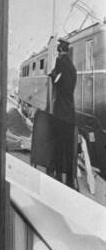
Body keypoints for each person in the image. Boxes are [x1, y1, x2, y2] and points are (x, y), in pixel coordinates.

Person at [49, 38, 78, 188]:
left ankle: (59, 177)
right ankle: (70, 181)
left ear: (60, 51)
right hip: (70, 114)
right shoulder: (73, 68)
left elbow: (57, 80)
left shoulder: (60, 63)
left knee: (59, 146)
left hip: (60, 113)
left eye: (58, 52)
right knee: (69, 149)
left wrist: (52, 74)